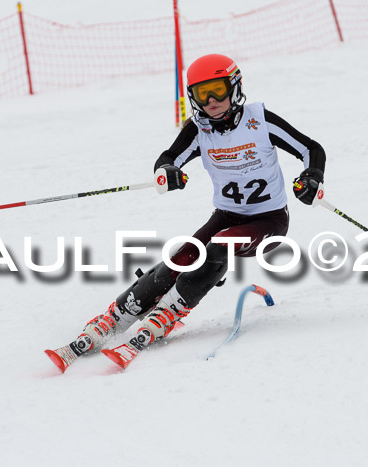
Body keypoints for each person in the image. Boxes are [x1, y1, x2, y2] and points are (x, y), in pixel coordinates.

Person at [45, 54, 326, 371]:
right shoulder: (199, 130)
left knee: (219, 245)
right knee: (184, 256)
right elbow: (169, 157)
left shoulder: (259, 120)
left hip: (269, 221)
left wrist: (312, 176)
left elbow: (310, 148)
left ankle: (169, 312)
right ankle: (117, 316)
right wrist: (168, 171)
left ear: (234, 88)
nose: (212, 101)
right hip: (226, 216)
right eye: (202, 93)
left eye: (218, 89)